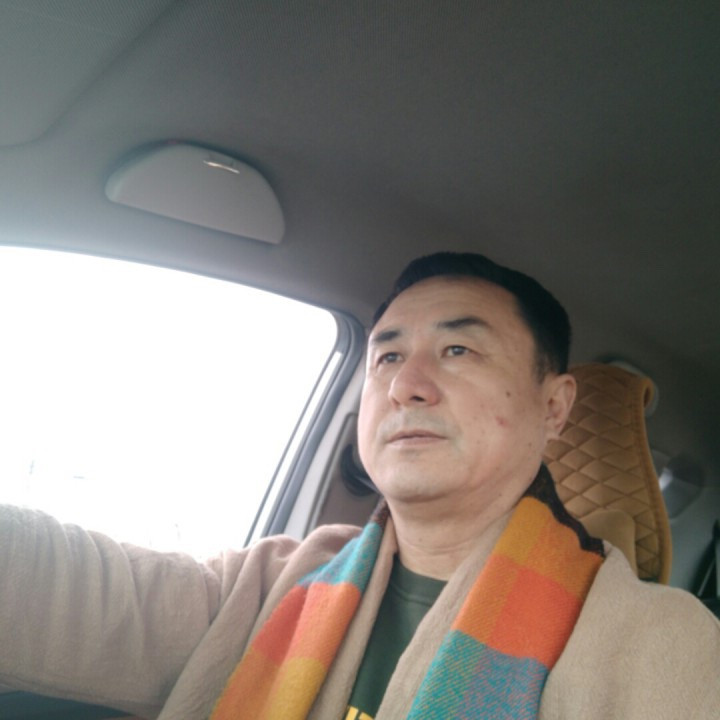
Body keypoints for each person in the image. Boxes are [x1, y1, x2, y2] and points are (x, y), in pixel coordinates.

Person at [1, 252, 718, 720]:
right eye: (387, 358)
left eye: (458, 349)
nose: (407, 385)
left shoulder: (665, 647)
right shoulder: (272, 584)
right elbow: (65, 585)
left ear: (554, 407)